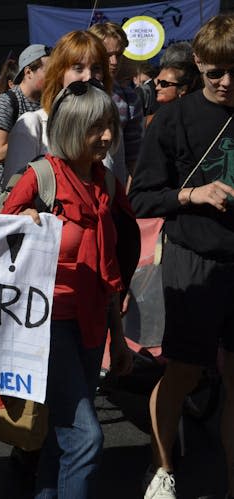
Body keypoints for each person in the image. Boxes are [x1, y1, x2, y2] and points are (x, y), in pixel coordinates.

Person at [2, 79, 136, 499]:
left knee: (63, 440)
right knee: (85, 438)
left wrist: (119, 338)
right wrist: (21, 219)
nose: (109, 136)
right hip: (46, 329)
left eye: (110, 125)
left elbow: (108, 269)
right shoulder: (40, 177)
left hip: (92, 323)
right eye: (97, 127)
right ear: (72, 128)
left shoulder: (108, 184)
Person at [129, 14, 234, 499]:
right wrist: (193, 195)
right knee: (184, 370)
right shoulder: (172, 119)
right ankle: (162, 468)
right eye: (216, 73)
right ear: (198, 64)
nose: (227, 81)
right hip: (193, 259)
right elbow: (143, 197)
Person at [4, 30, 121, 189]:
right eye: (78, 68)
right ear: (59, 74)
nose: (88, 77)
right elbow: (14, 199)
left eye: (96, 69)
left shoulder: (110, 128)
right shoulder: (32, 125)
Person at [0, 44, 49, 212]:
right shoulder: (5, 102)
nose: (55, 76)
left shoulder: (46, 105)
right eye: (49, 71)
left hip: (28, 191)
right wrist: (36, 143)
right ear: (28, 72)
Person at [89, 22, 144, 183]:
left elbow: (135, 157)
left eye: (118, 55)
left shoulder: (130, 98)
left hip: (112, 189)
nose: (114, 61)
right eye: (107, 55)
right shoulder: (72, 93)